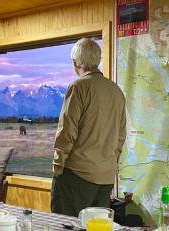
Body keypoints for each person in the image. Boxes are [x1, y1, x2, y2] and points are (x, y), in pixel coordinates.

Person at [51, 38, 126, 216]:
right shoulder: (116, 90)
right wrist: (110, 167)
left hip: (77, 175)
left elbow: (67, 131)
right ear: (97, 60)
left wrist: (58, 166)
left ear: (75, 62)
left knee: (65, 225)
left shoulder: (78, 86)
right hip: (105, 177)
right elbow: (121, 136)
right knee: (96, 226)